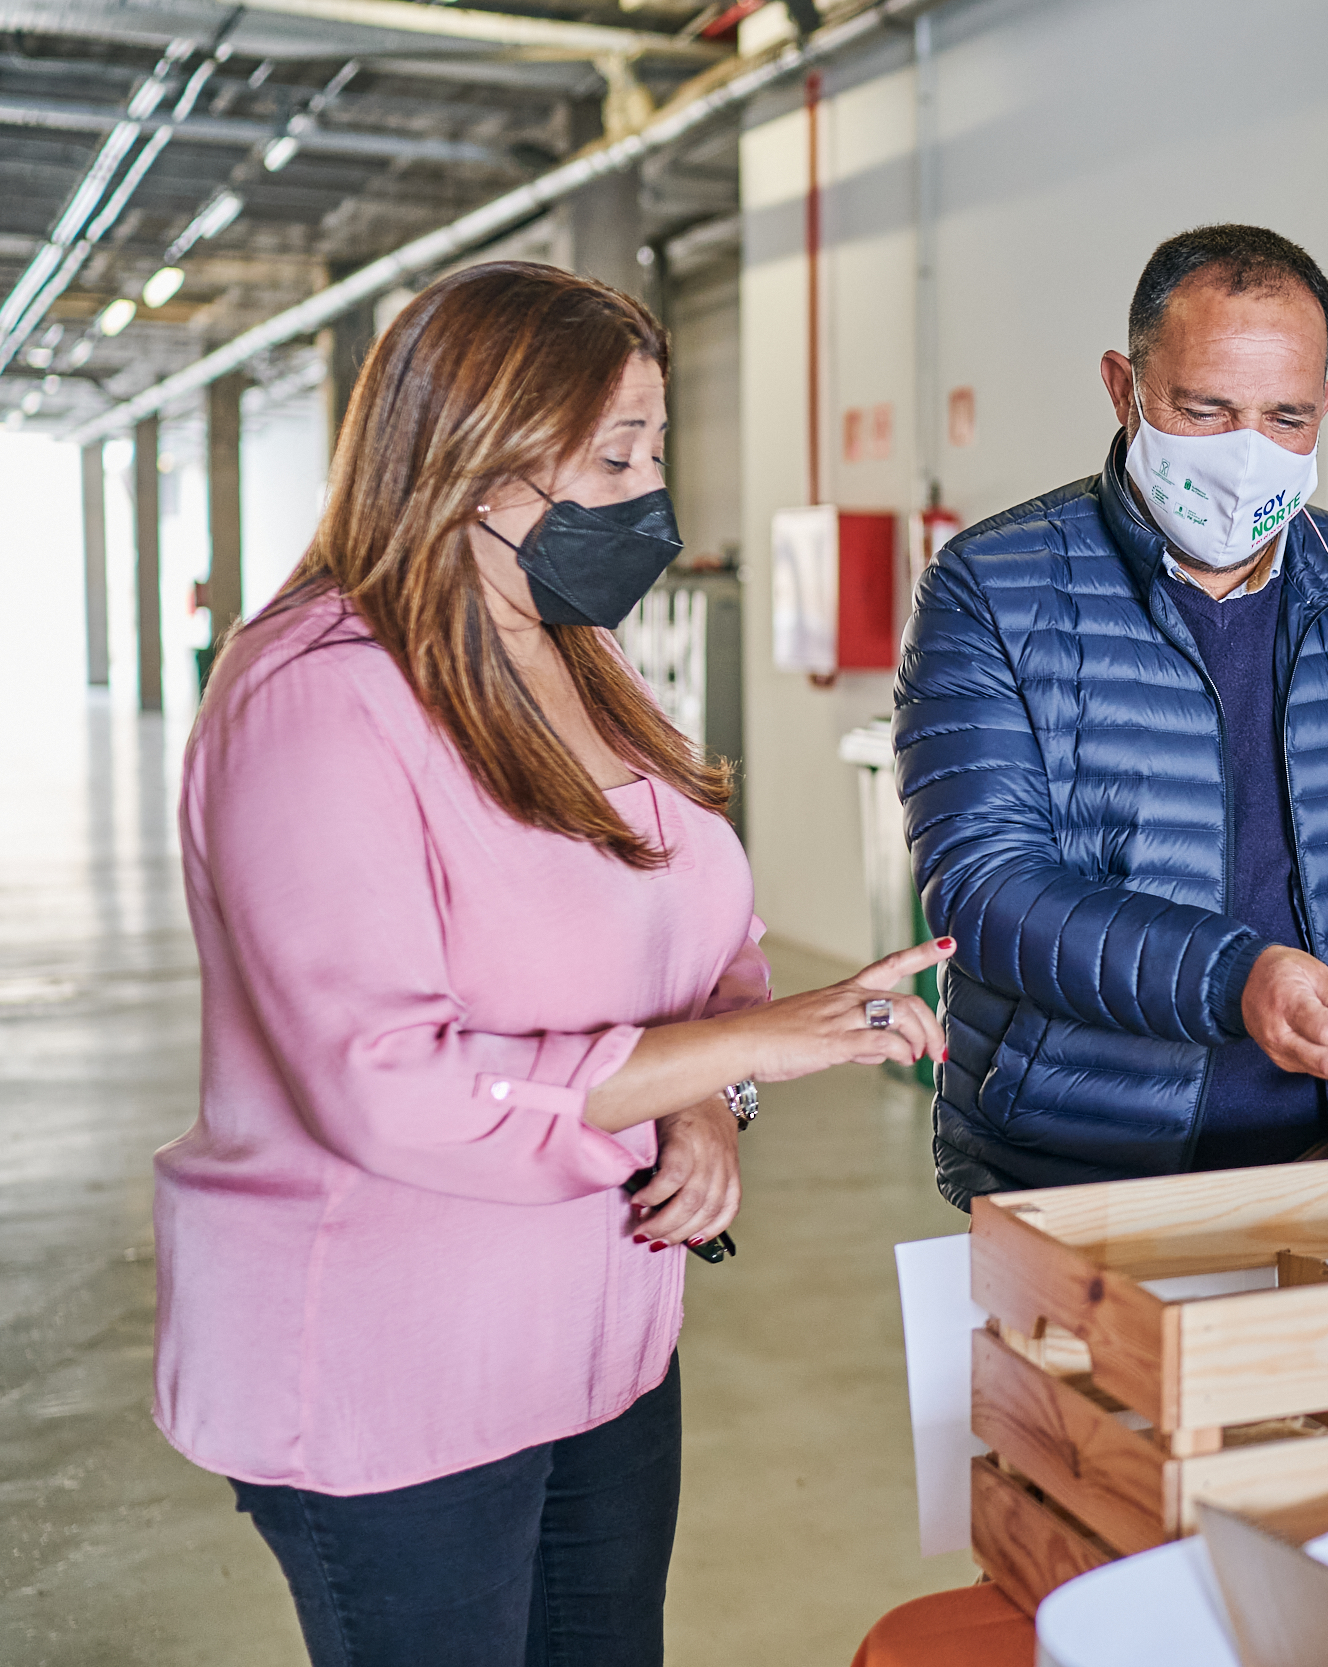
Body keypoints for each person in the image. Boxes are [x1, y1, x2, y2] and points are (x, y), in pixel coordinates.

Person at [157, 261, 947, 1667]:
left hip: (601, 1347)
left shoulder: (580, 658)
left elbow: (712, 945)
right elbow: (390, 1085)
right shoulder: (315, 698)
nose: (649, 493)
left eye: (655, 448)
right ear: (469, 451)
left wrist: (712, 1099)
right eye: (612, 453)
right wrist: (763, 1048)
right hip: (393, 1380)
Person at [892, 224, 1328, 1206]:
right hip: (1081, 1164)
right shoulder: (996, 588)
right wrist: (1233, 977)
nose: (1245, 456)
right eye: (1204, 409)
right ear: (1123, 386)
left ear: (1327, 404)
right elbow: (986, 886)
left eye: (1286, 417)